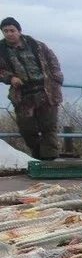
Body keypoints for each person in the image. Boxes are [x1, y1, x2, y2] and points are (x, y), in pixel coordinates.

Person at [0, 17, 63, 161]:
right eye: (5, 31)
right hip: (23, 94)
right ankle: (38, 154)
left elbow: (53, 62)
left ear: (19, 31)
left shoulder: (37, 46)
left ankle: (49, 159)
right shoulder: (1, 50)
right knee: (27, 129)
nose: (9, 34)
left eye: (12, 30)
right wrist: (10, 78)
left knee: (49, 127)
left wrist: (56, 80)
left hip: (45, 91)